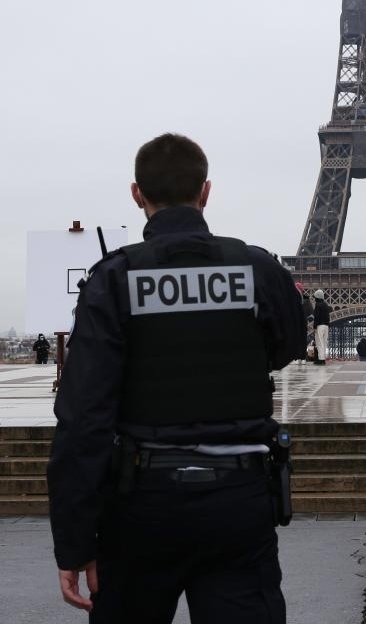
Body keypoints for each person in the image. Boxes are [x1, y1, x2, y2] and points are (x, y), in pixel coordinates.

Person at [47, 133, 305, 623]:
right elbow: (287, 347)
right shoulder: (257, 269)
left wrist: (75, 540)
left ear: (137, 194)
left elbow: (83, 418)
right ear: (205, 191)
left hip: (141, 501)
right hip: (239, 499)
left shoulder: (114, 278)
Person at [312, 289, 330, 365]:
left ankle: (321, 359)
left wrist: (314, 326)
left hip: (320, 326)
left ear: (318, 297)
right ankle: (323, 358)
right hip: (326, 326)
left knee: (319, 343)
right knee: (324, 343)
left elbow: (316, 317)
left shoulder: (318, 305)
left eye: (315, 297)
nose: (314, 299)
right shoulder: (326, 305)